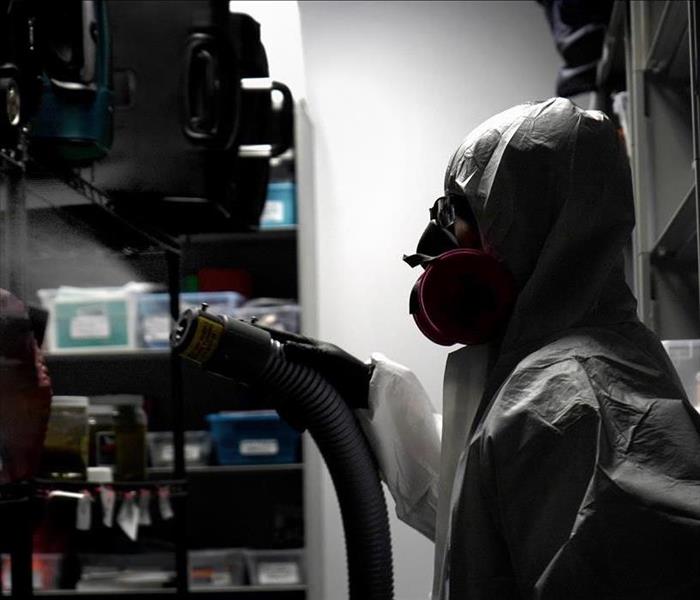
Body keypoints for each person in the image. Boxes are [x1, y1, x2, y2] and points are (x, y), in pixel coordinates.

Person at [283, 97, 700, 599]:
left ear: (519, 223)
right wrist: (366, 392)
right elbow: (488, 523)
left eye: (454, 212)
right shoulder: (566, 370)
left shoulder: (569, 394)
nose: (431, 242)